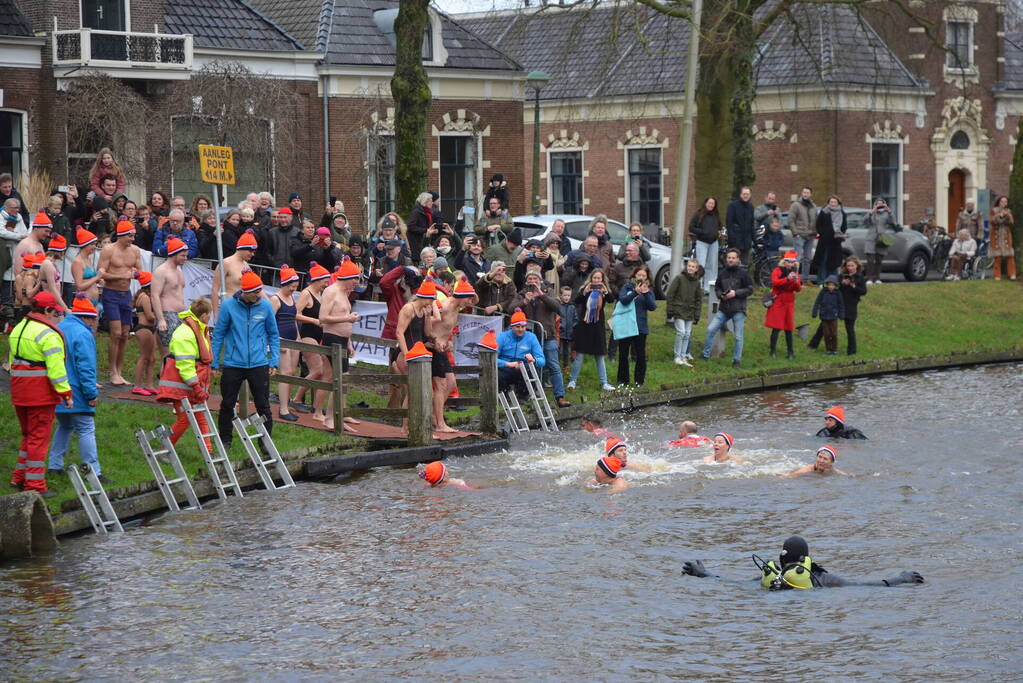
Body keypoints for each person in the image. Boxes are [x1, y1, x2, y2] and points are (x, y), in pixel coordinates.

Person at [8, 291, 72, 497]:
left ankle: (19, 477)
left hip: (19, 390)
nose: (56, 316)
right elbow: (56, 370)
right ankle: (34, 486)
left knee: (28, 436)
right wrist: (66, 394)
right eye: (55, 312)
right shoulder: (48, 334)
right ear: (47, 309)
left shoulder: (19, 327)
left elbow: (11, 362)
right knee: (38, 438)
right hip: (39, 393)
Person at [681, 535, 924, 589]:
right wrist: (901, 578)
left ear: (781, 557)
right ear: (805, 557)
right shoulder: (821, 578)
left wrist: (703, 573)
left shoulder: (771, 578)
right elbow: (864, 587)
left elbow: (734, 583)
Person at [211, 272, 280, 448]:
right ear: (245, 291)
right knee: (227, 403)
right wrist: (214, 362)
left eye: (260, 291)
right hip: (233, 363)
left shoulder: (265, 306)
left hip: (259, 363)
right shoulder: (228, 306)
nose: (259, 295)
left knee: (263, 405)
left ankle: (265, 443)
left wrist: (274, 360)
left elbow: (273, 334)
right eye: (255, 292)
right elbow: (218, 335)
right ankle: (225, 440)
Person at [44, 295, 105, 482]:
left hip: (57, 389)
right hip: (77, 391)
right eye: (94, 319)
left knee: (64, 425)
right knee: (86, 428)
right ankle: (92, 471)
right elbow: (85, 367)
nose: (95, 323)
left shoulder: (58, 328)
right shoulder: (83, 334)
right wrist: (91, 394)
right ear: (86, 317)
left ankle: (55, 466)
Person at [156, 298, 214, 450]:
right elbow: (185, 365)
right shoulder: (186, 334)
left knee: (200, 417)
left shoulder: (197, 329)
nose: (210, 318)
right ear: (203, 316)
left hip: (190, 385)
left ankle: (209, 451)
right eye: (210, 315)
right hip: (182, 386)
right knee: (185, 418)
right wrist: (196, 387)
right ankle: (165, 449)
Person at [513, 271, 570, 407]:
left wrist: (542, 295)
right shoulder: (521, 293)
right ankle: (531, 397)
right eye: (530, 278)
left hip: (547, 336)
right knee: (530, 367)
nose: (533, 281)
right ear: (526, 281)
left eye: (535, 278)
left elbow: (557, 307)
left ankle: (560, 397)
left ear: (540, 280)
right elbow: (511, 309)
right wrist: (524, 301)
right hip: (528, 338)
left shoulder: (548, 291)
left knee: (554, 366)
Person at [318, 260, 363, 432]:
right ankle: (330, 418)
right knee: (341, 379)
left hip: (343, 340)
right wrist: (348, 319)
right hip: (332, 338)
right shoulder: (331, 291)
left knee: (342, 380)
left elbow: (344, 316)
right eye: (355, 279)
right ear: (348, 278)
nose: (356, 283)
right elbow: (323, 318)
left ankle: (335, 416)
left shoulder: (344, 292)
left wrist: (349, 343)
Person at [429, 278, 478, 432]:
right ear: (460, 296)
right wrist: (433, 340)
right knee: (441, 385)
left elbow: (476, 300)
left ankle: (432, 414)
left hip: (443, 349)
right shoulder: (444, 306)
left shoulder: (458, 306)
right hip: (433, 347)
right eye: (468, 298)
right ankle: (439, 422)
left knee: (450, 385)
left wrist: (448, 340)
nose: (470, 301)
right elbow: (425, 323)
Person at [99, 220, 143, 384]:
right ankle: (112, 372)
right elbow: (101, 274)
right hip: (111, 293)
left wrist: (136, 272)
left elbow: (139, 271)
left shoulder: (135, 251)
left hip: (126, 294)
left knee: (125, 335)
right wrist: (121, 275)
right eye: (129, 236)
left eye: (133, 236)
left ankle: (119, 371)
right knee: (116, 333)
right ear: (121, 235)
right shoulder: (109, 250)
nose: (132, 239)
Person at [700, 249, 753, 368]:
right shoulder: (722, 273)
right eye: (729, 257)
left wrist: (736, 293)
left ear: (738, 259)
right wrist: (720, 295)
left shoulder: (743, 274)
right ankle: (705, 355)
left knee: (738, 337)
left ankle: (736, 361)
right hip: (724, 309)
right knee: (710, 330)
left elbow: (750, 289)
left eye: (733, 258)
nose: (730, 260)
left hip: (738, 309)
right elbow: (717, 287)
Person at [567, 269, 614, 392]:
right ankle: (572, 381)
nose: (596, 280)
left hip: (598, 327)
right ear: (591, 278)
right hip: (584, 326)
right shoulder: (585, 289)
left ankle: (604, 382)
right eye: (595, 278)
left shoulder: (603, 291)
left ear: (602, 280)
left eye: (599, 278)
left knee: (599, 355)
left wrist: (606, 291)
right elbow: (576, 301)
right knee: (580, 355)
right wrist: (584, 292)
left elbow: (611, 299)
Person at [614, 264, 657, 387]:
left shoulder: (649, 289)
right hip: (627, 325)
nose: (641, 277)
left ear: (647, 277)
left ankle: (639, 381)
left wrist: (646, 293)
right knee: (623, 354)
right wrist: (634, 292)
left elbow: (652, 307)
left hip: (640, 327)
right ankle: (623, 380)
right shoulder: (627, 286)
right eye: (639, 275)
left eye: (644, 275)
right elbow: (623, 300)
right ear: (634, 275)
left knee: (640, 355)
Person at [270, 265, 301, 421]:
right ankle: (282, 409)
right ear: (285, 284)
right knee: (286, 372)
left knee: (291, 373)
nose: (294, 290)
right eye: (292, 287)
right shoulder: (276, 299)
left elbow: (293, 318)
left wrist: (298, 337)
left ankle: (286, 404)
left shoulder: (291, 297)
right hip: (281, 339)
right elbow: (269, 322)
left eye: (296, 287)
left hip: (293, 339)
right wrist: (277, 341)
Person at [152, 236, 189, 356]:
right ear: (174, 254)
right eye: (183, 255)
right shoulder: (161, 271)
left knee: (180, 354)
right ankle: (165, 375)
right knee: (168, 356)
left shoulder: (179, 270)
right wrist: (161, 319)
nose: (185, 258)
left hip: (181, 315)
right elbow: (155, 295)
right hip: (167, 315)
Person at [496, 308, 545, 397]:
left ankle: (523, 397)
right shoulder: (503, 337)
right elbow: (492, 359)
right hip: (506, 367)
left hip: (523, 368)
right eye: (517, 327)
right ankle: (503, 397)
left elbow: (542, 360)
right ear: (512, 326)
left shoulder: (531, 337)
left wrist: (533, 360)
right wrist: (509, 364)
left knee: (532, 369)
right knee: (497, 373)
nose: (521, 330)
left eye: (523, 327)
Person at [212, 229, 258, 317]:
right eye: (250, 251)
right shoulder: (226, 263)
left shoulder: (246, 265)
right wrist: (215, 315)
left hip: (242, 309)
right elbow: (215, 289)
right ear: (241, 249)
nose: (252, 254)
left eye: (254, 252)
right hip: (229, 309)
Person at [765, 250, 802, 360]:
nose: (790, 264)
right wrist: (787, 279)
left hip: (789, 302)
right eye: (788, 262)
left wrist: (795, 281)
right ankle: (772, 351)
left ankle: (790, 352)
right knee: (776, 328)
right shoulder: (777, 271)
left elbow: (798, 289)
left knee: (788, 328)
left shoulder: (795, 273)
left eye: (792, 262)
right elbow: (775, 283)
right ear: (784, 261)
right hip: (778, 301)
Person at [667, 259, 703, 367]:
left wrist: (697, 315)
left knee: (687, 334)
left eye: (693, 267)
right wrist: (670, 310)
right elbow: (670, 294)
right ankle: (677, 356)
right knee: (681, 332)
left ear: (696, 269)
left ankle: (683, 356)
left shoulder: (697, 282)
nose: (690, 268)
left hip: (690, 311)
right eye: (689, 266)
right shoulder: (679, 278)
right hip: (679, 310)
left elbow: (698, 299)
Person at [688, 197, 721, 292]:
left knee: (712, 265)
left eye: (713, 204)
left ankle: (709, 288)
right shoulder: (698, 214)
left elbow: (719, 225)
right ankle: (698, 286)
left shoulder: (716, 215)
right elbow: (691, 227)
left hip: (714, 243)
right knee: (700, 265)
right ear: (705, 203)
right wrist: (702, 232)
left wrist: (717, 233)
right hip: (702, 242)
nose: (711, 205)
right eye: (709, 203)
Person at [814, 195, 847, 282]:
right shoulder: (824, 212)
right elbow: (818, 224)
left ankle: (833, 281)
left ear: (838, 203)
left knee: (834, 263)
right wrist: (823, 233)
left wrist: (839, 234)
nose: (832, 204)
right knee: (823, 261)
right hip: (824, 242)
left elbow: (844, 227)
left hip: (835, 242)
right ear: (828, 203)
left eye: (834, 202)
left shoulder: (842, 213)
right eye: (831, 202)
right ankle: (821, 281)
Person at [788, 186, 817, 281]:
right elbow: (791, 220)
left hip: (810, 236)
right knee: (797, 258)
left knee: (807, 259)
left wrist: (816, 232)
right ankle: (794, 279)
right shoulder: (796, 205)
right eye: (804, 192)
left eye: (807, 193)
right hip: (799, 235)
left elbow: (815, 220)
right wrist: (795, 233)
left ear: (810, 194)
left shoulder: (813, 206)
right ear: (802, 193)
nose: (805, 194)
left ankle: (804, 279)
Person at [810, 274, 844, 355]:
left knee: (834, 334)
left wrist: (841, 314)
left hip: (833, 316)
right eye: (829, 284)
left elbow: (841, 304)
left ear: (835, 285)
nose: (830, 286)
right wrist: (814, 312)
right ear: (827, 284)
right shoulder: (823, 292)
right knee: (827, 334)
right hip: (824, 316)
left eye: (832, 285)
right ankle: (828, 350)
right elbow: (817, 302)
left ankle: (834, 349)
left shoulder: (838, 293)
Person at [864, 198, 896, 284]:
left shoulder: (886, 214)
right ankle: (869, 278)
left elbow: (893, 222)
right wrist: (872, 211)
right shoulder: (871, 213)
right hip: (871, 238)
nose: (879, 205)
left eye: (881, 204)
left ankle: (877, 278)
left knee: (879, 260)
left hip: (881, 239)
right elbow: (865, 221)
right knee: (870, 260)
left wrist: (889, 211)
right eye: (877, 204)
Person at [71, 228, 103, 310]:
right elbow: (80, 286)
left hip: (94, 301)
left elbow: (91, 280)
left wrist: (99, 280)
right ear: (85, 245)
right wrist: (97, 277)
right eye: (92, 244)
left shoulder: (88, 259)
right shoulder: (77, 262)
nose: (94, 247)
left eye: (95, 244)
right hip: (84, 301)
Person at [989, 195, 1016, 280]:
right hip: (996, 234)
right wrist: (999, 215)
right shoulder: (994, 210)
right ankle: (997, 275)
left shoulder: (1008, 211)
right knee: (997, 256)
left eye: (1005, 202)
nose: (1004, 203)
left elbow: (1011, 223)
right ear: (999, 202)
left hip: (1006, 235)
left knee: (1010, 255)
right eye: (1002, 201)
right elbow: (992, 221)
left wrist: (1007, 215)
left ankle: (1012, 274)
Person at [726, 186, 755, 264]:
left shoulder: (751, 207)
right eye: (744, 194)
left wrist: (753, 239)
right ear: (740, 194)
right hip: (735, 241)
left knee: (745, 264)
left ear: (750, 195)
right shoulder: (733, 206)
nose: (746, 196)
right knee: (733, 264)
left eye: (747, 194)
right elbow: (729, 223)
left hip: (746, 242)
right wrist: (731, 238)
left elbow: (752, 224)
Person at [783, 446, 847, 478]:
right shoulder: (807, 470)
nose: (821, 461)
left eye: (825, 459)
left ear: (831, 462)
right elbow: (788, 476)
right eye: (820, 457)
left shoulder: (834, 471)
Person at [558, 285, 576, 368]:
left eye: (568, 295)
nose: (566, 297)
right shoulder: (558, 306)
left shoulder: (572, 307)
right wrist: (560, 326)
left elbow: (576, 319)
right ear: (561, 295)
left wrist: (573, 327)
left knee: (567, 351)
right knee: (559, 351)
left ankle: (566, 367)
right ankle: (557, 366)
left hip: (569, 333)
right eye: (565, 295)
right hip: (560, 333)